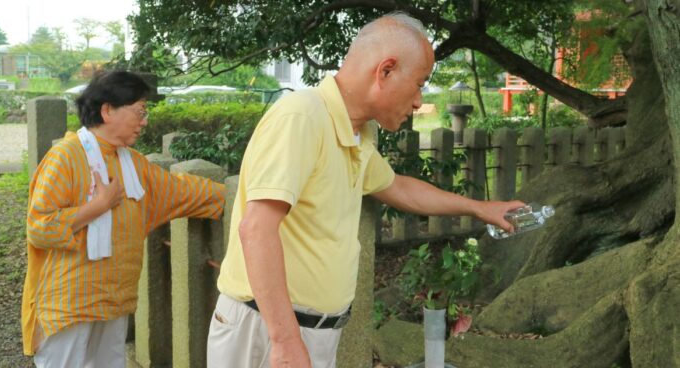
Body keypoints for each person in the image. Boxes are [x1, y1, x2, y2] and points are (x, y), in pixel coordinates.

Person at [207, 12, 524, 368]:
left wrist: (480, 208)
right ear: (385, 71)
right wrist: (285, 340)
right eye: (419, 83)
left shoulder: (356, 131)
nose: (420, 100)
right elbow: (256, 229)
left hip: (308, 331)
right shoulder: (303, 117)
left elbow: (398, 187)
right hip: (266, 330)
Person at [21, 70, 226, 367]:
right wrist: (98, 206)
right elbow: (39, 227)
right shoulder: (65, 156)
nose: (144, 121)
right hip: (69, 305)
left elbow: (183, 191)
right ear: (107, 110)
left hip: (114, 302)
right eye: (140, 111)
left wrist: (246, 196)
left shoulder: (133, 164)